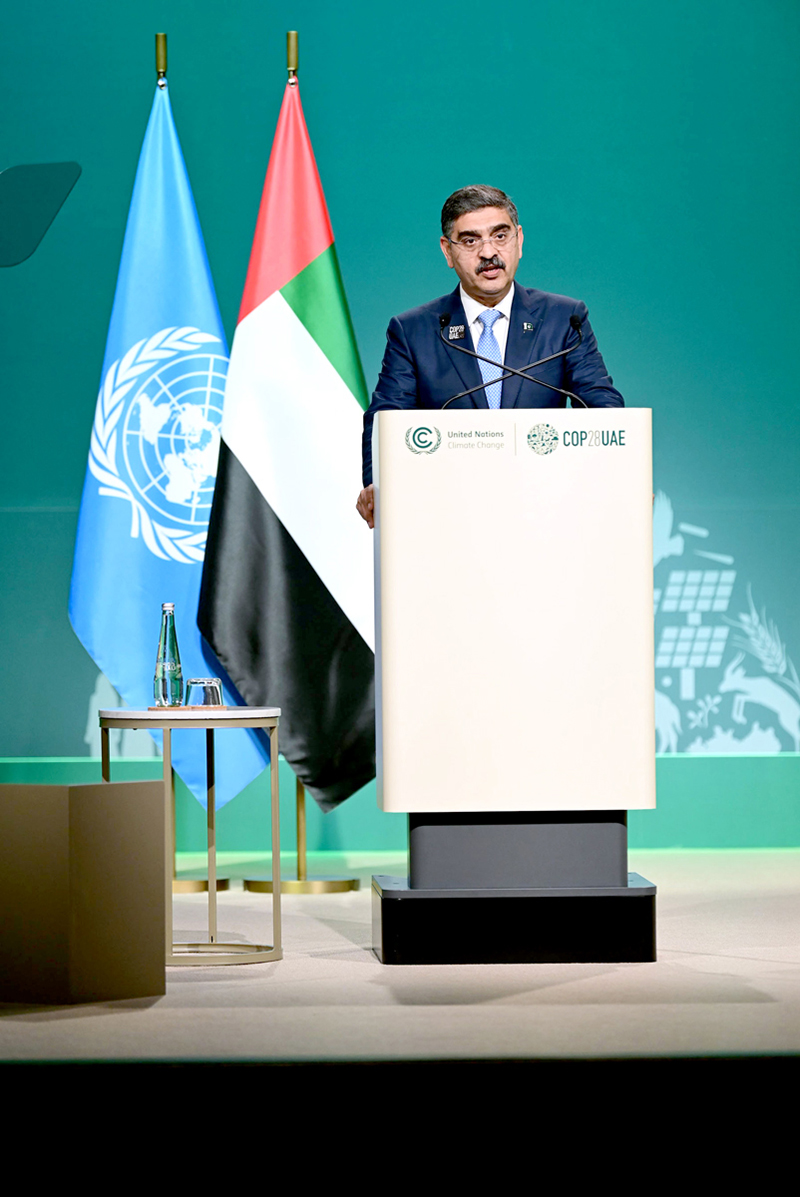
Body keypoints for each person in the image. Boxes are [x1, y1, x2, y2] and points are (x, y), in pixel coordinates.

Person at [356, 184, 624, 527]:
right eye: (470, 241)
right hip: (449, 515)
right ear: (447, 251)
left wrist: (624, 472)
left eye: (500, 236)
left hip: (545, 509)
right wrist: (377, 484)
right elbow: (386, 417)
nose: (488, 252)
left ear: (519, 240)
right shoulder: (414, 330)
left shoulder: (564, 319)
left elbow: (601, 405)